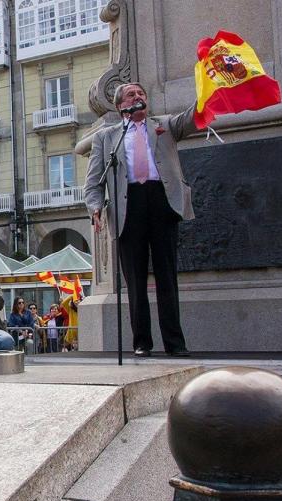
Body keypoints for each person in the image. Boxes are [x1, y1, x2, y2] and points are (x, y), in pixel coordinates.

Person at [84, 82, 194, 358]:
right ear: (121, 105)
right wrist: (95, 207)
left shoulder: (165, 125)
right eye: (132, 94)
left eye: (142, 94)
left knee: (167, 276)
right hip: (127, 205)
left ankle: (175, 343)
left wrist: (209, 91)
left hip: (161, 200)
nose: (139, 97)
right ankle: (142, 342)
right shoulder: (107, 137)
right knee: (134, 279)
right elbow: (94, 181)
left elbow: (193, 117)